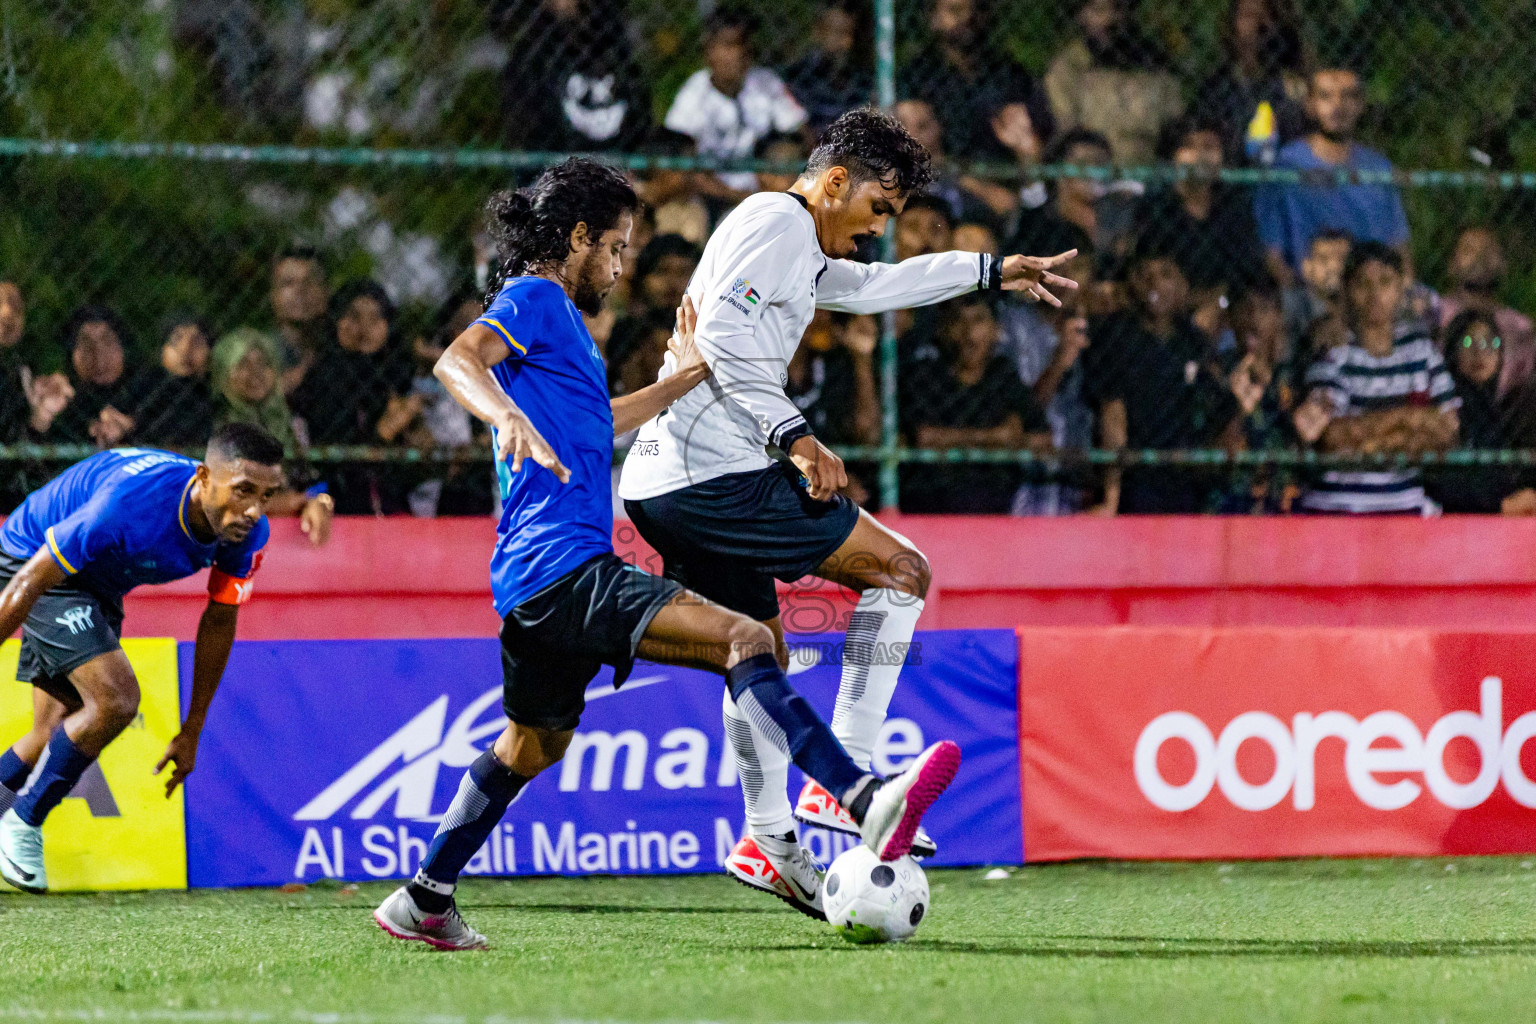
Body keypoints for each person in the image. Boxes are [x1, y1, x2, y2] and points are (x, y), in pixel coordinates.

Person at [372, 159, 959, 949]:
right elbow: (457, 361)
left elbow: (599, 420)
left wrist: (686, 376)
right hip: (568, 567)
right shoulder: (538, 298)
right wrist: (504, 418)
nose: (618, 269)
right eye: (613, 248)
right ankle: (858, 795)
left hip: (528, 583)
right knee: (750, 641)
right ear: (575, 238)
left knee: (531, 743)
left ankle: (423, 898)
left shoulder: (569, 333)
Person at [616, 109, 1072, 912]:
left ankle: (768, 840)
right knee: (900, 570)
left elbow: (875, 288)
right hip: (711, 476)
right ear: (833, 183)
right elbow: (720, 336)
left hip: (668, 483)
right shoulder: (775, 219)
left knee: (752, 652)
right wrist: (797, 438)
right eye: (878, 210)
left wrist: (989, 269)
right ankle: (846, 778)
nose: (877, 230)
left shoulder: (796, 241)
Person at [0, 425, 286, 893]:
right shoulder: (129, 505)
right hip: (33, 557)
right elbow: (30, 581)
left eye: (267, 495)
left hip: (99, 580)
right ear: (203, 478)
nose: (253, 510)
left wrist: (192, 729)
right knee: (114, 700)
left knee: (53, 731)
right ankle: (24, 820)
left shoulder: (245, 534)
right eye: (243, 491)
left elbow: (219, 619)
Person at [1291, 243, 1459, 514]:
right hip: (1339, 509)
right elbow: (1331, 436)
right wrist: (1407, 419)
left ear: (1401, 287)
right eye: (1363, 284)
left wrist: (1369, 443)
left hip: (1406, 506)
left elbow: (1448, 430)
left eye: (1385, 282)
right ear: (1347, 291)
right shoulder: (1334, 353)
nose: (1375, 295)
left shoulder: (1421, 351)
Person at [1084, 238, 1245, 513]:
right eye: (1144, 276)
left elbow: (1225, 408)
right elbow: (1113, 417)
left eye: (1166, 275)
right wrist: (1112, 495)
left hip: (1188, 477)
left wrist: (1221, 454)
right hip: (1137, 478)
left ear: (1183, 285)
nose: (1154, 285)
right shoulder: (1116, 337)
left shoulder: (1193, 341)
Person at [1253, 66, 1410, 284]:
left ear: (1360, 105)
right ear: (1310, 105)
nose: (1338, 106)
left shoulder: (1379, 168)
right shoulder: (1285, 167)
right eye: (1326, 96)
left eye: (1347, 96)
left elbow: (1399, 245)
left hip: (1371, 291)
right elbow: (1272, 253)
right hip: (1308, 291)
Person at [900, 294, 1052, 513]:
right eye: (958, 321)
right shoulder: (926, 375)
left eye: (978, 321)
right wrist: (998, 438)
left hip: (995, 504)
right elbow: (924, 438)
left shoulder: (1002, 374)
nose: (969, 333)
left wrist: (950, 439)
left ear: (995, 329)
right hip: (932, 505)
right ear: (943, 330)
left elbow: (1042, 440)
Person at [663, 7, 807, 207]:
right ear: (709, 50)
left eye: (743, 44)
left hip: (763, 189)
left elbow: (801, 132)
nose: (739, 53)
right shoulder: (693, 95)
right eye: (729, 45)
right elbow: (679, 159)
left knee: (786, 153)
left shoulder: (766, 83)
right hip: (710, 195)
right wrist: (734, 195)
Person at [1131, 116, 1268, 302]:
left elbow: (1248, 271)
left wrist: (1218, 301)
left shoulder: (1233, 209)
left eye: (1209, 147)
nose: (1199, 155)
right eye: (1188, 146)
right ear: (1173, 156)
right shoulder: (1155, 209)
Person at [901, 0, 1053, 160]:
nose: (968, 18)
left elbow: (1040, 137)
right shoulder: (917, 77)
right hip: (939, 178)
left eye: (976, 10)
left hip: (1004, 174)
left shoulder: (1009, 75)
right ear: (933, 19)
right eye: (956, 10)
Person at [496, 0, 651, 153]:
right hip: (559, 165)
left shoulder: (610, 35)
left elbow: (636, 103)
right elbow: (530, 133)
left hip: (616, 159)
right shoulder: (532, 55)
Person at [1043, 0, 1183, 164]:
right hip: (1093, 169)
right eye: (1098, 10)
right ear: (1081, 15)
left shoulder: (1153, 64)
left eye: (1117, 9)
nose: (1109, 19)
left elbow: (1175, 122)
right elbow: (1067, 128)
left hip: (1147, 168)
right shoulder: (1068, 67)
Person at [1425, 310, 1536, 515]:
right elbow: (1442, 483)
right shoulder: (1450, 406)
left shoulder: (1494, 407)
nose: (1481, 352)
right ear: (1453, 351)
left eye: (1490, 343)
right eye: (1468, 343)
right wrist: (1501, 506)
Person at [1191, 0, 1310, 166]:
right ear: (1233, 23)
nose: (1258, 24)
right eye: (1248, 15)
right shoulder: (1217, 84)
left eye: (1265, 16)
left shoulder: (1292, 83)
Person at [1436, 227, 1536, 396]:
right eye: (1469, 250)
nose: (1479, 257)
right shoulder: (1435, 312)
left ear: (1503, 265)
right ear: (1451, 265)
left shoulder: (1519, 325)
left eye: (1487, 251)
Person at [50, 307, 143, 449]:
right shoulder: (58, 401)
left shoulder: (147, 392)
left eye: (108, 342)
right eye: (86, 345)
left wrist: (130, 428)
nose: (98, 357)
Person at [782, 0, 871, 135]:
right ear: (818, 31)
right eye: (838, 33)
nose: (847, 43)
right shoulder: (795, 78)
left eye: (852, 34)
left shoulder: (864, 81)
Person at [135, 313, 215, 447]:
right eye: (176, 339)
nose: (185, 350)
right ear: (162, 349)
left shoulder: (214, 396)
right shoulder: (143, 391)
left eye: (197, 342)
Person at [268, 245, 329, 396]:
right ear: (273, 296)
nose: (299, 291)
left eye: (309, 282)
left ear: (325, 293)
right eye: (288, 283)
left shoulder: (339, 350)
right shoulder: (260, 352)